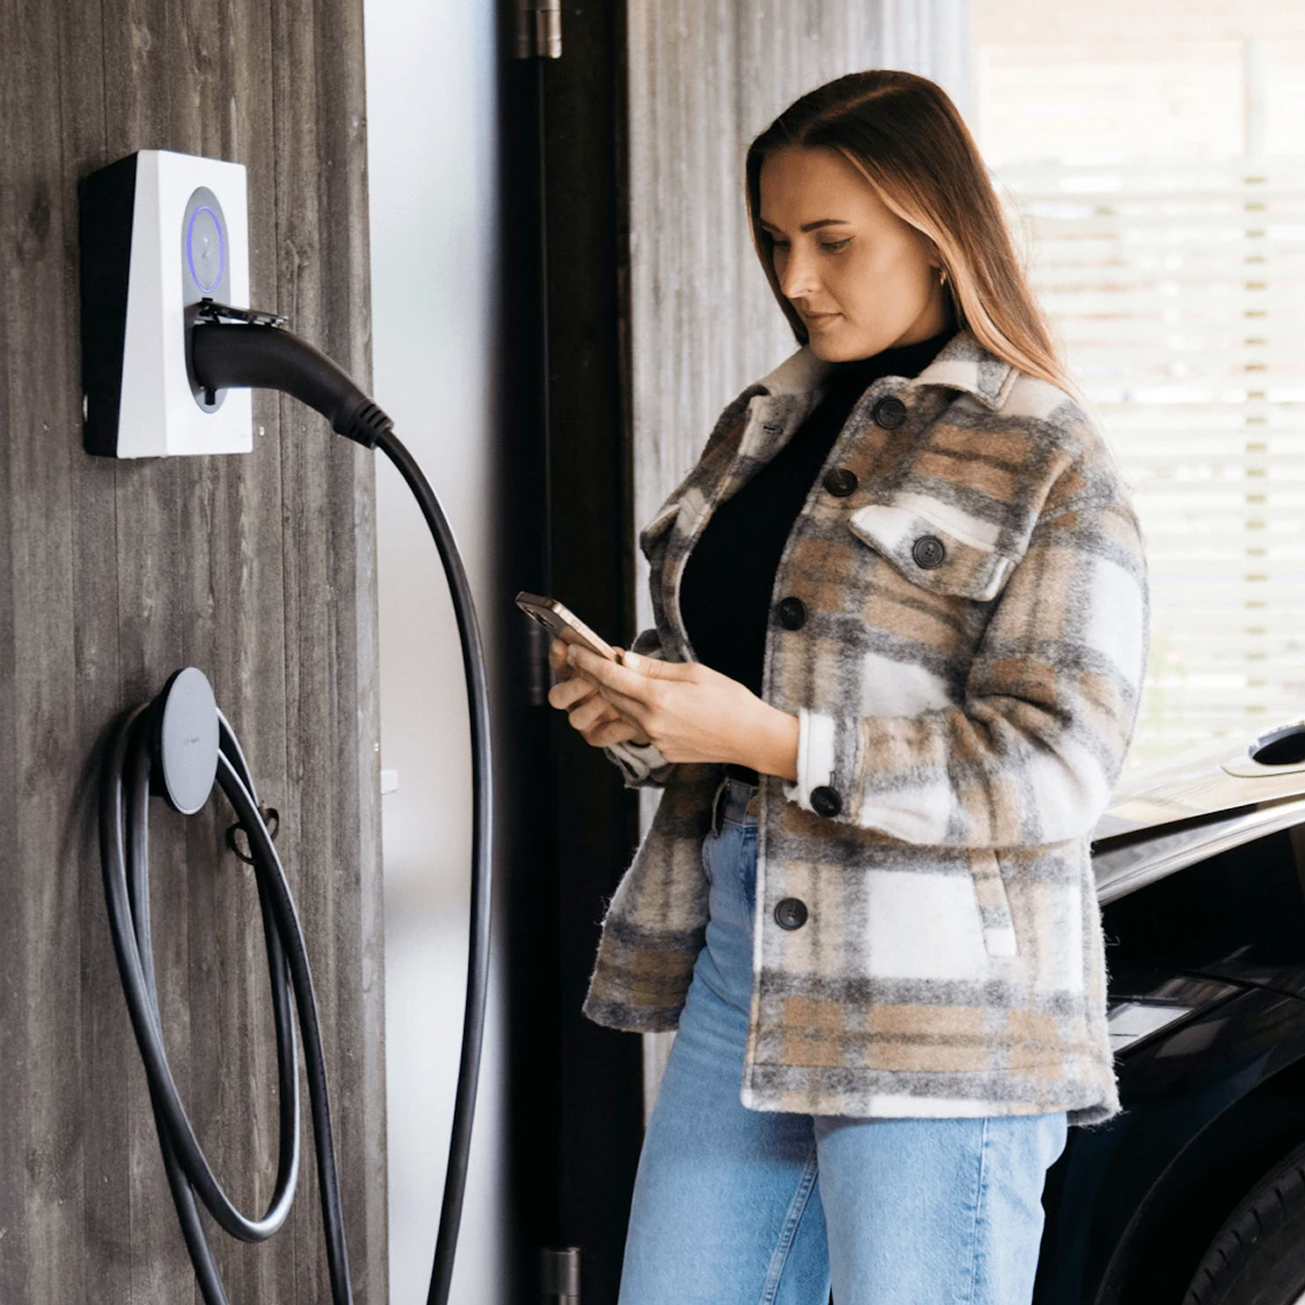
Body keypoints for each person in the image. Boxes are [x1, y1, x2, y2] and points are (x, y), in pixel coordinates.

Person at [546, 69, 1150, 1305]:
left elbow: (1058, 764)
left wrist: (771, 737)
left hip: (945, 1012)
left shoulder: (1047, 453)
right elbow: (758, 690)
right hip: (748, 967)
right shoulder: (763, 425)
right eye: (776, 240)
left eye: (833, 241)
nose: (795, 278)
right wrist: (651, 719)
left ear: (938, 235)